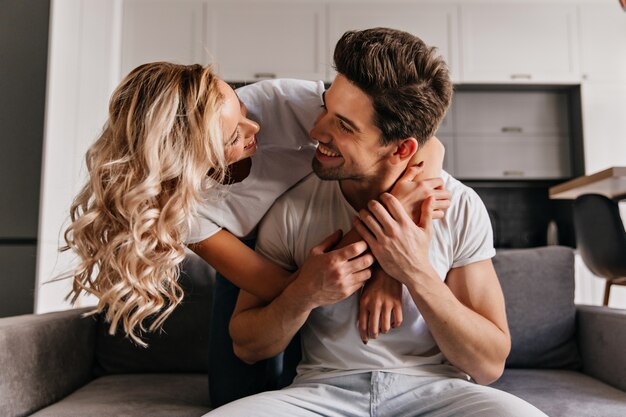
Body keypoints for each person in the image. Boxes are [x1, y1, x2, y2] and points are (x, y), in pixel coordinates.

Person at [62, 62, 449, 404]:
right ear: (188, 157)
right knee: (235, 393)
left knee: (309, 375)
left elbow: (428, 146)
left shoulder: (281, 102)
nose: (254, 126)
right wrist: (387, 221)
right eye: (233, 136)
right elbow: (282, 288)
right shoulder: (183, 211)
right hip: (259, 255)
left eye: (241, 108)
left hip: (318, 224)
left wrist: (388, 271)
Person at [207, 28, 548, 416]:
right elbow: (248, 347)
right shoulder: (291, 207)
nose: (316, 131)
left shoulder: (461, 207)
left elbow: (488, 366)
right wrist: (305, 291)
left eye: (345, 126)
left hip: (438, 394)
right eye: (326, 109)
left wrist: (413, 271)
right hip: (322, 394)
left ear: (402, 148)